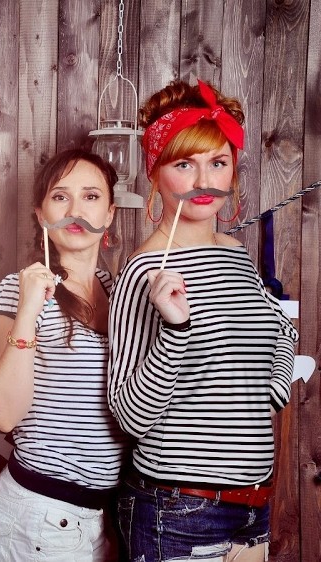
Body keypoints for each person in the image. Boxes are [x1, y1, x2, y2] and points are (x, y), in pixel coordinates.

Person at [108, 79, 298, 562]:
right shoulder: (144, 271)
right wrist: (175, 332)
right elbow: (129, 416)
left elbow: (279, 332)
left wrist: (274, 387)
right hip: (178, 508)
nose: (203, 180)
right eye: (183, 164)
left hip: (253, 506)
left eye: (217, 162)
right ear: (155, 173)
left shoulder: (236, 255)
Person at [0, 149, 128, 561]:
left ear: (110, 214)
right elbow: (3, 414)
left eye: (91, 196)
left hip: (102, 514)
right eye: (61, 197)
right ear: (40, 214)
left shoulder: (119, 290)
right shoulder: (19, 288)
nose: (76, 210)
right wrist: (29, 310)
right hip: (38, 512)